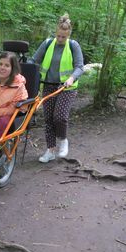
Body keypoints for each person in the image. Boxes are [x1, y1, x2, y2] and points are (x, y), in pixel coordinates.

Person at [31, 14, 84, 162]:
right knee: (48, 119)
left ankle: (63, 140)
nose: (60, 39)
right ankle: (50, 150)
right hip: (48, 85)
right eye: (58, 36)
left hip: (67, 87)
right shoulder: (48, 43)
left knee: (59, 117)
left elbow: (80, 67)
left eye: (63, 37)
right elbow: (34, 60)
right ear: (56, 33)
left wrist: (71, 78)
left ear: (68, 35)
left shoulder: (73, 45)